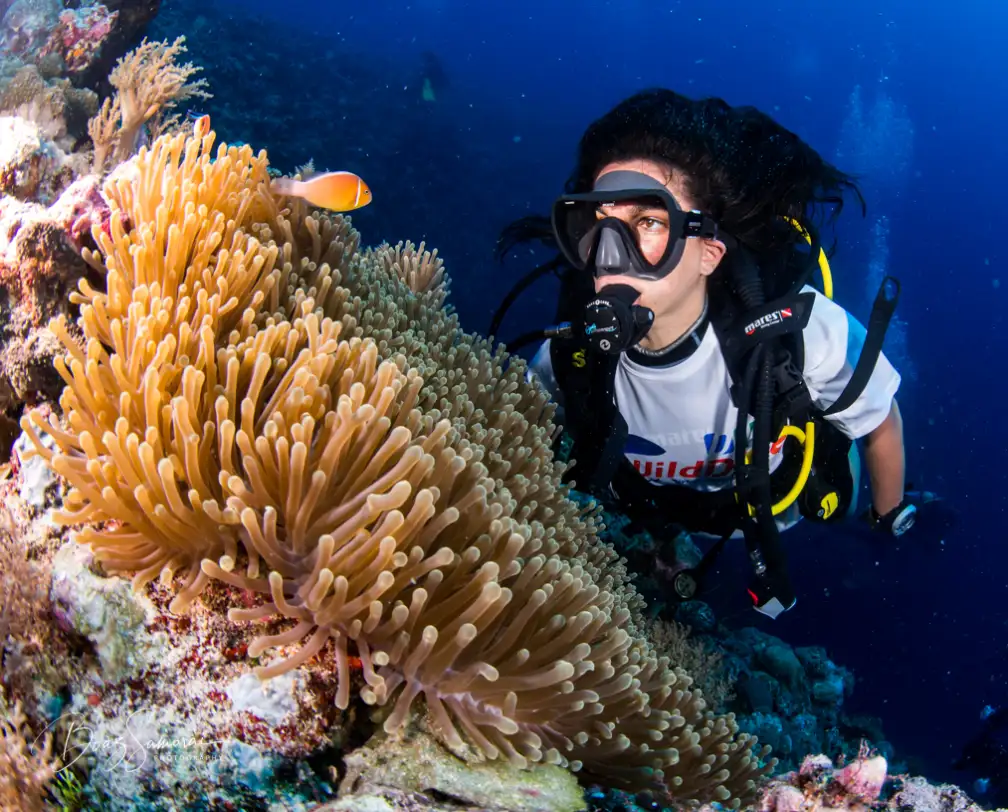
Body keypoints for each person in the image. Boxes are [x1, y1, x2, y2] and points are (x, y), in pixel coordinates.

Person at [492, 89, 918, 618]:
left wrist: (887, 517)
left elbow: (880, 420)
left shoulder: (804, 331)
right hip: (663, 510)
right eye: (599, 223)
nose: (611, 253)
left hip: (786, 506)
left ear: (709, 252)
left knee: (854, 507)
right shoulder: (568, 355)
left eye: (648, 224)